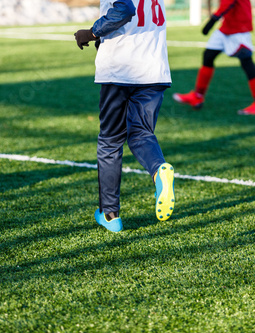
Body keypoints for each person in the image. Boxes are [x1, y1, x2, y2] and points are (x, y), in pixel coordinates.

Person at [74, 0, 175, 232]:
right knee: (141, 134)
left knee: (110, 141)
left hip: (121, 69)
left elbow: (125, 9)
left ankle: (111, 215)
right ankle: (159, 170)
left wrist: (90, 33)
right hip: (154, 69)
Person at [172, 0, 255, 115]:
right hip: (227, 27)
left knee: (246, 62)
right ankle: (198, 96)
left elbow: (229, 2)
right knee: (208, 56)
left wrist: (213, 19)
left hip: (239, 28)